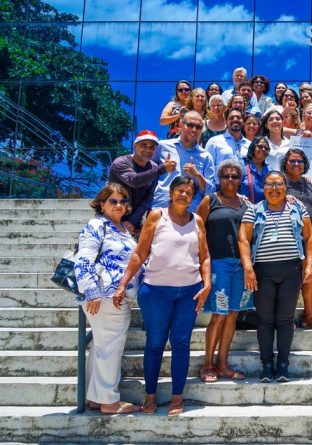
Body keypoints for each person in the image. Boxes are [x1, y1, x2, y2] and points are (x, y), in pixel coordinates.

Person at [113, 176, 212, 416]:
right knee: (155, 343)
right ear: (171, 192)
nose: (184, 195)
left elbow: (205, 257)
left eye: (189, 193)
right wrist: (123, 283)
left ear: (193, 197)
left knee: (181, 343)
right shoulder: (157, 216)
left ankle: (177, 397)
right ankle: (150, 395)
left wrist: (207, 284)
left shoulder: (197, 220)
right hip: (156, 292)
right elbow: (140, 253)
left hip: (189, 292)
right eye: (179, 190)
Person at [239, 171, 312, 383]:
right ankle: (266, 364)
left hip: (291, 271)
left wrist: (310, 265)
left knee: (285, 319)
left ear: (285, 187)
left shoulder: (297, 208)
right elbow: (243, 239)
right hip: (263, 271)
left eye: (279, 184)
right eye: (270, 185)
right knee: (265, 319)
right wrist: (248, 267)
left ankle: (283, 365)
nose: (274, 189)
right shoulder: (254, 210)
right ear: (264, 188)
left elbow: (309, 237)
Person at [74, 183, 140, 415]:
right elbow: (83, 259)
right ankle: (109, 402)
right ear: (102, 204)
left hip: (115, 296)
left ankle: (95, 398)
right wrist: (91, 292)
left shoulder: (122, 229)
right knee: (110, 348)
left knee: (102, 347)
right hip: (104, 296)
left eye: (123, 201)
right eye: (113, 201)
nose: (119, 205)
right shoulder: (97, 225)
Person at [195, 160, 252, 383]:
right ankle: (207, 364)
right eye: (225, 176)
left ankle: (222, 363)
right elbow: (198, 232)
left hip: (241, 265)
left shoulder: (246, 203)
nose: (230, 179)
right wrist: (202, 263)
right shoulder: (210, 200)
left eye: (234, 176)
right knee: (218, 314)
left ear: (240, 180)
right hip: (218, 263)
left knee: (233, 314)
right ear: (219, 179)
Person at [282, 148, 312, 330]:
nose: (296, 164)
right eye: (292, 161)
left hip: (309, 237)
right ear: (285, 163)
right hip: (287, 235)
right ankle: (286, 317)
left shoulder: (308, 184)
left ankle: (310, 316)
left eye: (299, 161)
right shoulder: (280, 182)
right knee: (290, 276)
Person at [108, 130, 175, 232]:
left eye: (152, 147)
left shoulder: (153, 167)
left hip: (133, 224)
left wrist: (131, 221)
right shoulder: (121, 162)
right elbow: (134, 181)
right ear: (135, 145)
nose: (148, 149)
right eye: (144, 145)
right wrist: (161, 169)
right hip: (111, 218)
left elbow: (149, 198)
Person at [152, 111, 215, 212]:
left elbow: (210, 192)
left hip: (190, 212)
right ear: (181, 124)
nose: (194, 129)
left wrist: (198, 175)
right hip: (161, 207)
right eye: (190, 125)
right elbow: (147, 174)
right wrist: (162, 168)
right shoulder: (162, 146)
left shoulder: (206, 156)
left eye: (198, 127)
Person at [240, 136, 270, 205]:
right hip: (244, 208)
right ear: (253, 147)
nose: (263, 149)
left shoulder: (269, 170)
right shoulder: (242, 166)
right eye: (260, 146)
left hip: (265, 209)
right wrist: (239, 196)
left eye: (266, 148)